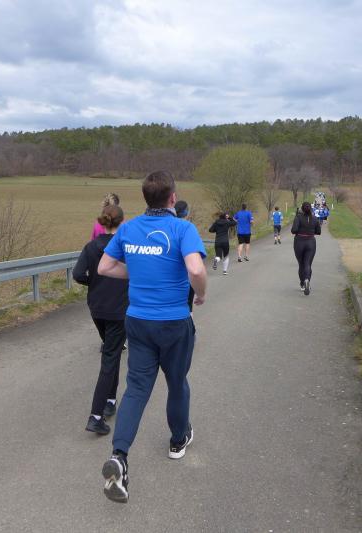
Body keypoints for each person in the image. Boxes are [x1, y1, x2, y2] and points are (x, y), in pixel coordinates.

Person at [97, 170, 207, 503]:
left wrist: (138, 272)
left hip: (138, 320)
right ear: (173, 198)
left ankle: (119, 456)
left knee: (136, 388)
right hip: (173, 322)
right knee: (177, 382)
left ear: (146, 198)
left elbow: (104, 267)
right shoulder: (183, 228)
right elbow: (196, 269)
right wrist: (201, 294)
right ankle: (177, 440)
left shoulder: (128, 228)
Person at [73, 204, 129, 435]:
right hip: (119, 309)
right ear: (122, 222)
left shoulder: (91, 246)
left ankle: (110, 400)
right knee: (110, 358)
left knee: (111, 352)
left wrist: (94, 283)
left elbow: (78, 274)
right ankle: (96, 416)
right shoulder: (125, 246)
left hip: (97, 308)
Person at [291, 201, 321, 296]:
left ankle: (302, 284)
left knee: (301, 264)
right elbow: (318, 231)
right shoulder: (315, 218)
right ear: (310, 209)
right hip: (311, 242)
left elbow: (294, 230)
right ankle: (307, 280)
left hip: (299, 241)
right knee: (307, 264)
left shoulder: (298, 217)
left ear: (302, 209)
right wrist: (310, 231)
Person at [175, 200, 196, 310]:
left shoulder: (167, 226)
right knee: (188, 307)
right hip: (185, 276)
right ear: (186, 212)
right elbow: (195, 266)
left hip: (169, 275)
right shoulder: (188, 228)